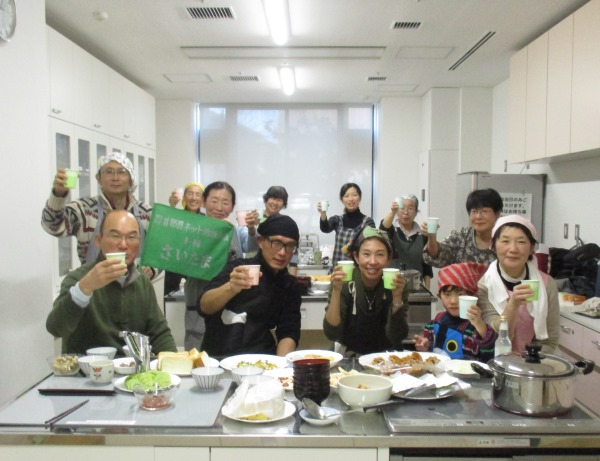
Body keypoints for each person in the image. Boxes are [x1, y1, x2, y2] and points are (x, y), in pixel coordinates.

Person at [46, 210, 177, 355]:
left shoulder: (142, 282)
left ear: (139, 243)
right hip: (88, 368)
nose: (123, 245)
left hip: (132, 367)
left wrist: (175, 362)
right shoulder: (79, 279)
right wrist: (84, 289)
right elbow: (55, 328)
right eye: (115, 236)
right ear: (98, 241)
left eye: (131, 237)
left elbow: (159, 333)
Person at [198, 214, 302, 357]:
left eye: (290, 246)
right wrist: (230, 288)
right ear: (260, 241)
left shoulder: (289, 285)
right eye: (276, 243)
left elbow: (288, 331)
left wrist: (281, 365)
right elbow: (204, 307)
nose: (282, 252)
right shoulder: (237, 268)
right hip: (219, 357)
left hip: (262, 358)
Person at [41, 151, 156, 279]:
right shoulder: (84, 210)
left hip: (135, 286)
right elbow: (52, 226)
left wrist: (152, 269)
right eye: (109, 172)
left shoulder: (147, 213)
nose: (115, 178)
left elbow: (162, 250)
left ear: (131, 179)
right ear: (99, 178)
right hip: (92, 286)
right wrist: (58, 194)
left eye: (122, 172)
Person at [183, 181, 259, 351]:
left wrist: (252, 228)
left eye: (225, 202)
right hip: (199, 309)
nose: (219, 207)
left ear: (232, 207)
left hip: (230, 309)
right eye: (214, 201)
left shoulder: (233, 230)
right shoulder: (192, 229)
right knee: (198, 357)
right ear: (204, 202)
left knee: (228, 354)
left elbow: (252, 247)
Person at [478, 215, 560, 353]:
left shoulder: (546, 284)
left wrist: (528, 362)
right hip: (494, 360)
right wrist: (513, 305)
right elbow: (493, 337)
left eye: (521, 242)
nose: (513, 249)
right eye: (505, 241)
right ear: (493, 245)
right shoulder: (485, 285)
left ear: (532, 247)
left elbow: (549, 341)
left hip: (534, 362)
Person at [323, 227, 410, 356]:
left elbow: (397, 336)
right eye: (366, 254)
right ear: (356, 257)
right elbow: (332, 333)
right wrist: (336, 290)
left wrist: (397, 298)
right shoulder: (344, 281)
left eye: (380, 254)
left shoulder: (397, 284)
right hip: (349, 355)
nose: (373, 262)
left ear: (389, 258)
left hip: (386, 356)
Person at [414, 263, 496, 361]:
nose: (453, 301)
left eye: (460, 294)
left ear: (473, 296)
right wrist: (426, 347)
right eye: (447, 294)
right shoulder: (436, 322)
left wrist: (480, 326)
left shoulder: (475, 326)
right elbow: (433, 352)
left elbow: (489, 356)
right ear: (439, 296)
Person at [422, 188, 503, 268]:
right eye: (474, 211)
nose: (478, 216)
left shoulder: (505, 239)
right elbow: (438, 256)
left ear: (497, 214)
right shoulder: (461, 236)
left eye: (484, 211)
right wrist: (431, 237)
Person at [379, 194, 433, 289]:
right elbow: (383, 227)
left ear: (416, 212)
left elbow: (427, 264)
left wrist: (427, 289)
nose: (406, 212)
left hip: (416, 286)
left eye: (410, 208)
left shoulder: (422, 234)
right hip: (392, 285)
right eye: (402, 208)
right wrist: (392, 212)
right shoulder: (392, 230)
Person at [318, 183, 375, 268]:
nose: (351, 199)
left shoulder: (368, 222)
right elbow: (325, 228)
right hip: (338, 270)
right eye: (346, 196)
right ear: (342, 199)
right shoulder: (337, 220)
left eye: (354, 195)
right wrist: (323, 213)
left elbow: (371, 244)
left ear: (360, 198)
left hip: (358, 270)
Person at [245, 185, 299, 275]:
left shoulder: (284, 222)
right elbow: (250, 248)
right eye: (273, 198)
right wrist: (251, 227)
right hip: (254, 267)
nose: (275, 203)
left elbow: (292, 247)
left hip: (276, 271)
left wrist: (292, 276)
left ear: (284, 204)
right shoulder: (253, 217)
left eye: (279, 200)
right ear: (266, 199)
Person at [164, 182, 205, 295]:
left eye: (198, 194)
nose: (194, 198)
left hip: (198, 270)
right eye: (190, 193)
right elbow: (164, 234)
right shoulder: (175, 217)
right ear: (184, 197)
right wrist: (172, 207)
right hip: (175, 269)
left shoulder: (207, 220)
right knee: (174, 302)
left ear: (203, 199)